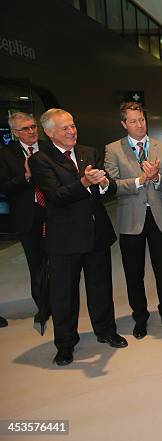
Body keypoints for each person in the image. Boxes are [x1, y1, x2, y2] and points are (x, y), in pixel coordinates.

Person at [29, 109, 127, 366]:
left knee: (100, 287)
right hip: (64, 239)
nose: (72, 131)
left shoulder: (89, 152)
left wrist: (104, 184)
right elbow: (56, 196)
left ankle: (106, 330)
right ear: (49, 133)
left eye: (73, 125)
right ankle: (65, 344)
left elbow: (107, 189)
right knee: (64, 294)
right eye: (65, 128)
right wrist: (84, 182)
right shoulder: (41, 159)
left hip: (95, 233)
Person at [105, 102, 162, 339]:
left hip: (159, 217)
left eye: (142, 120)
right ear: (123, 124)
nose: (139, 125)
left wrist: (157, 178)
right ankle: (140, 317)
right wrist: (140, 179)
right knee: (133, 272)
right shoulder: (113, 150)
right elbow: (112, 186)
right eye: (133, 121)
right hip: (131, 220)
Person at [0, 112, 50, 329]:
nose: (31, 132)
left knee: (59, 261)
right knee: (36, 264)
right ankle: (43, 307)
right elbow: (4, 187)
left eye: (33, 127)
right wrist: (27, 176)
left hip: (54, 213)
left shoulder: (50, 148)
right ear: (14, 132)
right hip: (27, 216)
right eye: (25, 129)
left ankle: (61, 303)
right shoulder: (5, 154)